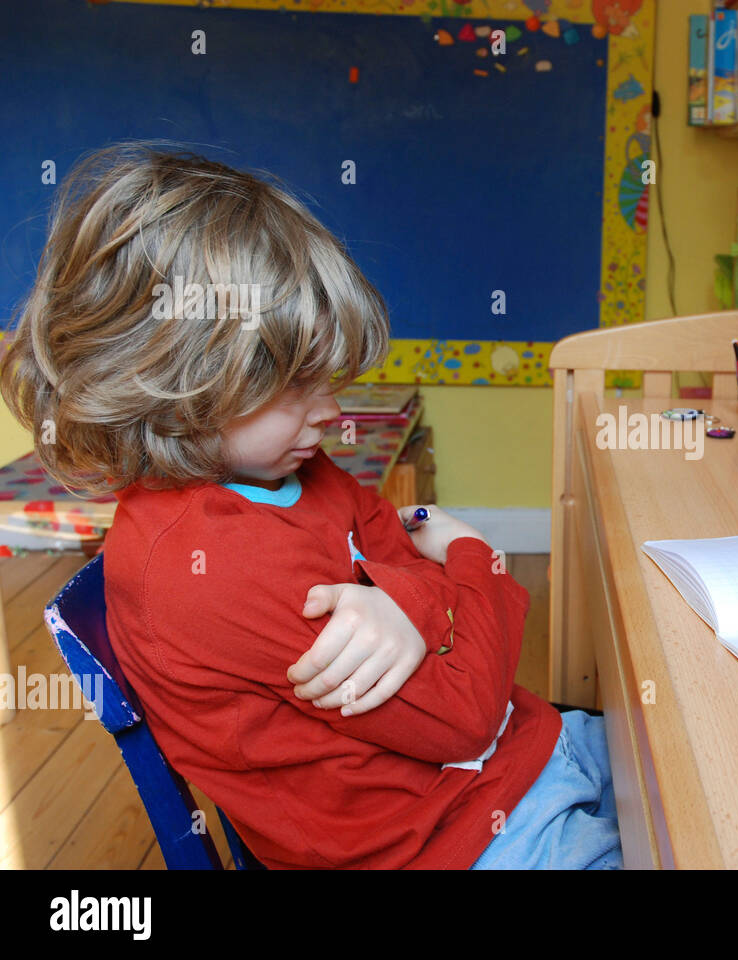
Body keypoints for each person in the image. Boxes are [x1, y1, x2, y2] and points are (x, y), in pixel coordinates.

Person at [0, 142, 621, 869]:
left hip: (522, 757)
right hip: (454, 842)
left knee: (685, 753)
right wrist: (473, 558)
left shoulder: (291, 470)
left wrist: (408, 606)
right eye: (297, 384)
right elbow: (464, 713)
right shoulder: (215, 566)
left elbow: (391, 540)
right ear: (176, 382)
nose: (330, 410)